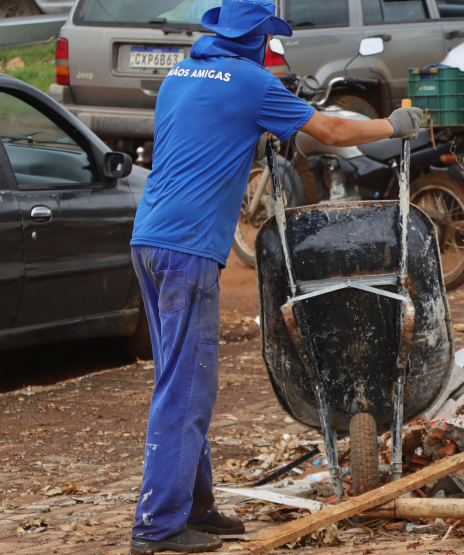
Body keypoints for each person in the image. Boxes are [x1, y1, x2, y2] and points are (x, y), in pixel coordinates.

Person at [127, 0, 421, 552]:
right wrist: (393, 124)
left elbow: (203, 137)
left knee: (177, 379)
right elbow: (331, 131)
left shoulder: (181, 75)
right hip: (189, 248)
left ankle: (196, 507)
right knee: (186, 388)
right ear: (260, 40)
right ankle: (159, 529)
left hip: (149, 239)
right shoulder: (249, 82)